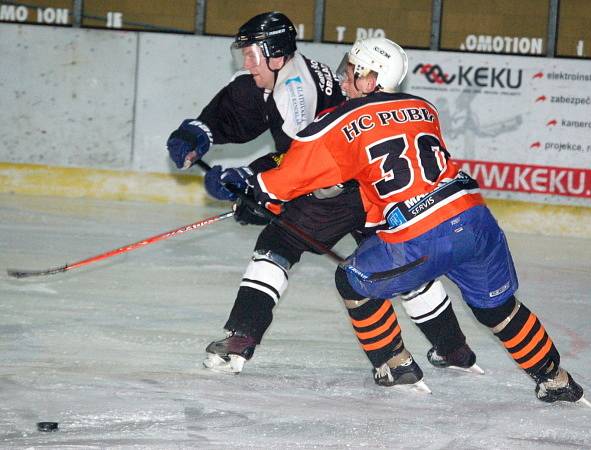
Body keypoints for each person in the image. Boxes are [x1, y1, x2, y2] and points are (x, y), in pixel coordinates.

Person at [243, 36, 590, 403]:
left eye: (351, 71)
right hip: (475, 219)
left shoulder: (341, 119)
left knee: (352, 278)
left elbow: (289, 176)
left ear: (370, 78)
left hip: (423, 234)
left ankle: (393, 363)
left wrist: (254, 188)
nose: (343, 80)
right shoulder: (423, 107)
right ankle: (555, 377)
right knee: (498, 307)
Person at [166, 12, 478, 381]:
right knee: (399, 262)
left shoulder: (296, 92)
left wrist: (253, 183)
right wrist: (199, 132)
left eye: (251, 55)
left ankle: (241, 339)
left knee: (278, 242)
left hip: (341, 188)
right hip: (378, 188)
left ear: (276, 54)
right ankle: (453, 348)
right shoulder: (278, 73)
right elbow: (240, 105)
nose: (246, 63)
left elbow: (304, 162)